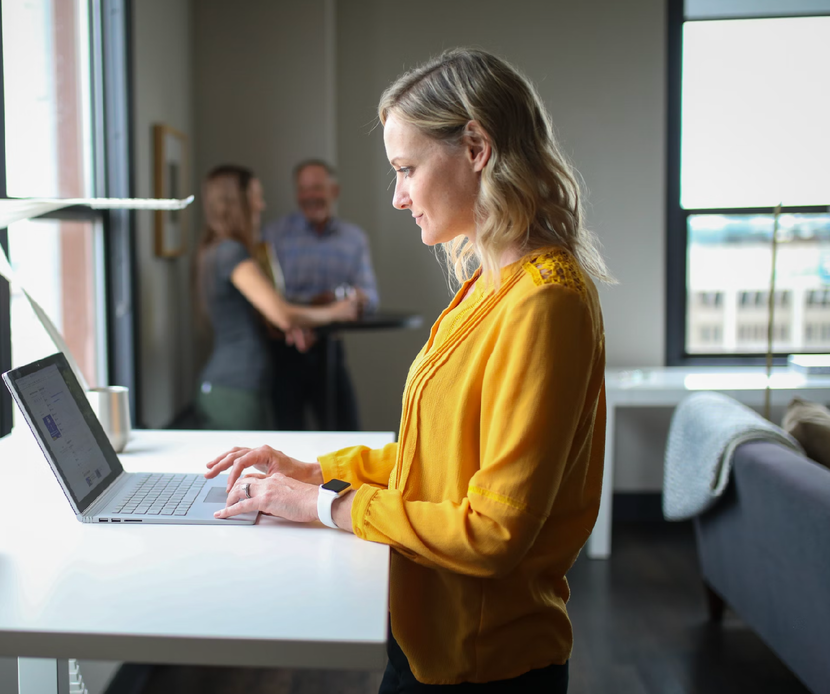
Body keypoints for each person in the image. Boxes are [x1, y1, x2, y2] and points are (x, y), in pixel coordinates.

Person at [203, 48, 613, 692]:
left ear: (476, 146)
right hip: (425, 638)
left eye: (406, 169)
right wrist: (316, 472)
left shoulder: (545, 302)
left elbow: (493, 530)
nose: (397, 196)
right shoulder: (487, 285)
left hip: (484, 665)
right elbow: (439, 462)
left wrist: (326, 506)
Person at [195, 164, 358, 431]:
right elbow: (281, 312)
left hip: (231, 386)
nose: (261, 205)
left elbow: (262, 318)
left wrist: (289, 329)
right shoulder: (231, 252)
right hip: (235, 388)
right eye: (256, 197)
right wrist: (337, 312)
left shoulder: (217, 249)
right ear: (238, 202)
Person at [262, 160, 379, 431]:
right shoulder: (273, 235)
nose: (309, 196)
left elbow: (371, 297)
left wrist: (354, 299)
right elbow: (268, 299)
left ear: (333, 191)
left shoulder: (354, 238)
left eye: (316, 188)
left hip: (330, 350)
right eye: (303, 189)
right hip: (284, 351)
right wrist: (313, 309)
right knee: (287, 439)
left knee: (347, 435)